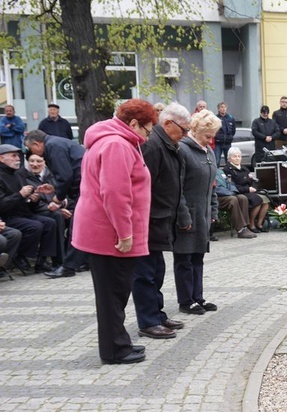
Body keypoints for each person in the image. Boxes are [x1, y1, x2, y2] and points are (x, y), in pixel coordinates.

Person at [70, 98, 158, 365]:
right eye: (147, 129)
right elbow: (116, 194)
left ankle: (119, 342)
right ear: (133, 123)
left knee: (115, 293)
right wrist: (125, 233)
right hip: (109, 234)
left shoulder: (114, 141)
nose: (147, 135)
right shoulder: (116, 145)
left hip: (106, 232)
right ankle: (114, 350)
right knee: (112, 294)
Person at [131, 102, 192, 341]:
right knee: (145, 273)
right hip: (149, 221)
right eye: (184, 130)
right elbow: (142, 187)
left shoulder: (167, 144)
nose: (186, 135)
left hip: (161, 219)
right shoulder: (153, 146)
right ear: (167, 123)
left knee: (157, 270)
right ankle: (148, 321)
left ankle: (157, 314)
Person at [174, 109, 221, 315]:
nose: (210, 141)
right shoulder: (183, 150)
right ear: (195, 130)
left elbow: (212, 185)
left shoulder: (208, 151)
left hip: (203, 214)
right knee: (184, 258)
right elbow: (178, 187)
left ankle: (197, 296)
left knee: (198, 257)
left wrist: (213, 209)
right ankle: (186, 300)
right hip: (188, 212)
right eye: (207, 136)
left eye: (212, 137)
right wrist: (183, 215)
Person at [24, 129, 87, 278]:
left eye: (30, 148)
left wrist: (58, 198)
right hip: (85, 187)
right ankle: (78, 263)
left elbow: (65, 176)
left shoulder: (53, 146)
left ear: (36, 144)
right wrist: (54, 188)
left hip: (84, 189)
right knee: (81, 226)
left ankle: (69, 267)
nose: (32, 152)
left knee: (76, 227)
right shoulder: (57, 143)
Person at [0, 144, 57, 274]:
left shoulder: (18, 174)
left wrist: (33, 198)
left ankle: (42, 261)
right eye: (13, 156)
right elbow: (2, 205)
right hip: (8, 217)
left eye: (18, 156)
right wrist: (20, 194)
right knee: (35, 226)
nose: (17, 159)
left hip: (24, 214)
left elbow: (26, 200)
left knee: (50, 222)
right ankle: (21, 256)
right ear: (2, 158)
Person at [21, 151, 69, 267]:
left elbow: (64, 193)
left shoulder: (52, 176)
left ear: (45, 163)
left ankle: (78, 257)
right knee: (56, 217)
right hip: (35, 211)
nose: (35, 164)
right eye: (32, 161)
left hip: (55, 208)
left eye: (39, 161)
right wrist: (52, 207)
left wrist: (60, 205)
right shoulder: (23, 177)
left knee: (74, 217)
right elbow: (29, 201)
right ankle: (60, 261)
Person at [224, 147, 270, 232]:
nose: (237, 158)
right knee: (258, 200)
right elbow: (232, 186)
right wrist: (247, 189)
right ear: (229, 158)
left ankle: (259, 224)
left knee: (266, 200)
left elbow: (253, 181)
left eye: (239, 156)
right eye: (235, 156)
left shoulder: (244, 168)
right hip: (240, 192)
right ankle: (251, 224)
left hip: (250, 191)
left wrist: (254, 187)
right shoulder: (227, 170)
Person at [215, 167, 255, 239]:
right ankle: (240, 230)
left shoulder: (220, 171)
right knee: (233, 199)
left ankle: (245, 227)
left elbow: (230, 183)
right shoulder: (208, 171)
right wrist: (229, 193)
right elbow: (216, 188)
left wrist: (232, 191)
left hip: (228, 194)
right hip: (217, 197)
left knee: (242, 198)